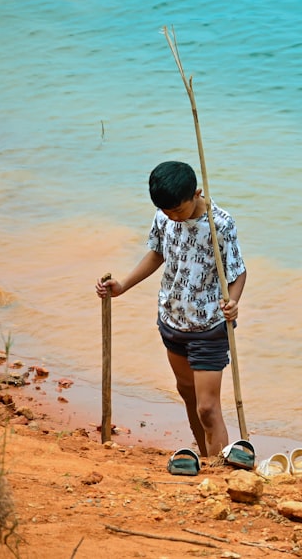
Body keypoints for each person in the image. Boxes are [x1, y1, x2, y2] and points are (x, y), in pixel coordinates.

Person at [96, 160, 247, 458]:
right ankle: (205, 458)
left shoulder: (220, 224)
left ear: (196, 194)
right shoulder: (164, 217)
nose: (172, 217)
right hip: (172, 321)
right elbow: (157, 254)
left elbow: (238, 272)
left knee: (207, 407)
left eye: (178, 210)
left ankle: (219, 468)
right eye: (166, 211)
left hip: (209, 327)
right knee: (188, 395)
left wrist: (233, 301)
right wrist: (123, 285)